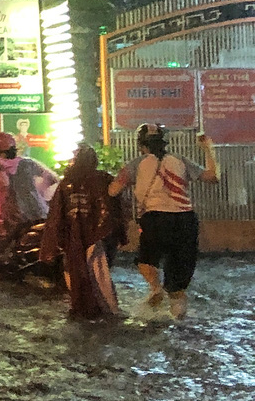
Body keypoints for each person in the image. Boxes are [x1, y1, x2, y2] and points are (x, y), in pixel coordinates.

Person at [110, 124, 218, 316]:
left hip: (155, 219)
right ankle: (178, 320)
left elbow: (113, 190)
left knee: (145, 262)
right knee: (178, 287)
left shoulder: (136, 164)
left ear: (141, 145)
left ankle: (155, 288)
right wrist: (208, 148)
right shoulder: (180, 160)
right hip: (185, 221)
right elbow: (212, 177)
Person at [40, 145, 126, 317]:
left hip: (74, 238)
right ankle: (111, 312)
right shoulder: (102, 178)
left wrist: (51, 245)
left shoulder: (66, 183)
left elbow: (56, 215)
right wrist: (118, 234)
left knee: (74, 272)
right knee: (100, 275)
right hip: (96, 237)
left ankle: (80, 309)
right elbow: (115, 208)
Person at [0, 132, 58, 271]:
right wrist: (41, 194)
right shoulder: (28, 162)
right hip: (39, 214)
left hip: (14, 216)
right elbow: (53, 178)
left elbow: (4, 185)